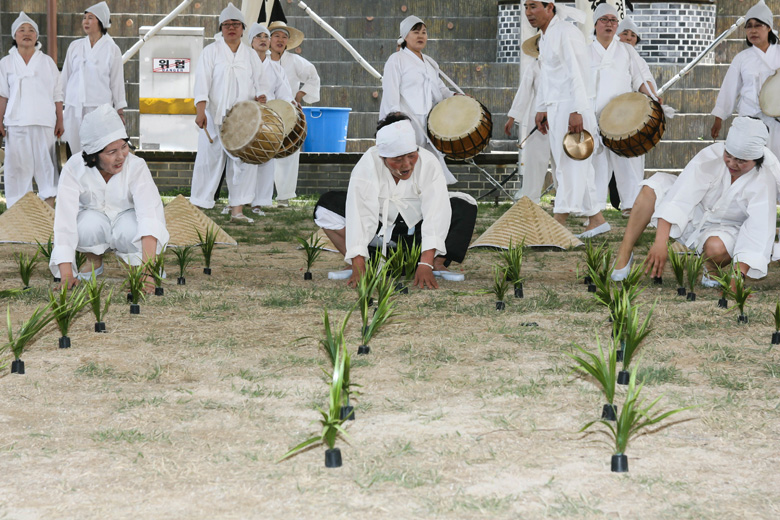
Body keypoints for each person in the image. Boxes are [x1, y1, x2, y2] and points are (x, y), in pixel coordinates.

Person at [313, 114, 478, 289]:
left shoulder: (429, 163)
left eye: (411, 156)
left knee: (464, 204)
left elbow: (436, 213)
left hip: (416, 235)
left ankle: (435, 263)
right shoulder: (368, 164)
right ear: (382, 157)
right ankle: (360, 262)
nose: (406, 165)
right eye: (398, 160)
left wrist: (426, 263)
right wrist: (358, 261)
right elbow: (359, 212)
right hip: (379, 231)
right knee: (326, 206)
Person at [611, 117, 778, 285]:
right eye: (728, 155)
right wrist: (660, 242)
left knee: (716, 248)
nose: (731, 163)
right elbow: (680, 195)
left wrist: (737, 280)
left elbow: (758, 230)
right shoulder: (711, 156)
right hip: (694, 215)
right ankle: (624, 253)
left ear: (756, 160)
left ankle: (711, 270)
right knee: (654, 186)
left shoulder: (766, 178)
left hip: (727, 231)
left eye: (740, 161)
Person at [50, 104, 169, 289]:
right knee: (86, 226)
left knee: (131, 229)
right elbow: (64, 221)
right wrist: (66, 274)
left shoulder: (137, 166)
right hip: (93, 219)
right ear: (93, 156)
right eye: (111, 152)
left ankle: (140, 266)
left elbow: (149, 216)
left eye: (123, 146)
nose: (121, 156)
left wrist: (148, 273)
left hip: (127, 218)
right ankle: (93, 261)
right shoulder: (74, 168)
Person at [525, 0, 608, 237]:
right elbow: (548, 75)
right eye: (526, 7)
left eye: (533, 6)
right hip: (556, 107)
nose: (529, 13)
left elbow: (578, 73)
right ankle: (597, 219)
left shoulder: (566, 32)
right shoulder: (546, 36)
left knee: (570, 165)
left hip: (572, 107)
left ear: (549, 7)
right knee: (573, 165)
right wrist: (541, 108)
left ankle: (558, 222)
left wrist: (577, 110)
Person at [191, 3, 265, 222]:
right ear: (221, 28)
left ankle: (237, 210)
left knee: (244, 163)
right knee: (208, 160)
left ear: (242, 29)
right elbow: (202, 83)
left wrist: (261, 97)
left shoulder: (251, 55)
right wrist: (200, 110)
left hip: (243, 119)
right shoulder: (210, 52)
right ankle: (199, 207)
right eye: (226, 25)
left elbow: (260, 83)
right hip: (215, 117)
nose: (231, 28)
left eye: (235, 25)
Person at [589, 4, 653, 216]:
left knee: (627, 160)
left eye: (613, 20)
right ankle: (594, 208)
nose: (609, 24)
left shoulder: (626, 50)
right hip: (593, 113)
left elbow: (638, 78)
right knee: (596, 162)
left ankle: (631, 206)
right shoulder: (585, 50)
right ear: (596, 24)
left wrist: (652, 98)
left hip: (622, 115)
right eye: (604, 20)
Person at [380, 15, 458, 185]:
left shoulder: (430, 62)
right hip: (405, 122)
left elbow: (440, 88)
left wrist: (455, 96)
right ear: (405, 36)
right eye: (416, 32)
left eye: (424, 32)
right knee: (405, 165)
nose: (421, 36)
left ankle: (429, 203)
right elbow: (390, 94)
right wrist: (395, 123)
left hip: (428, 124)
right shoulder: (396, 60)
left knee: (428, 168)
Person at [0, 12, 63, 209]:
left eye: (31, 30)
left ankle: (48, 218)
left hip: (44, 122)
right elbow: (3, 95)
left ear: (37, 36)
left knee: (46, 168)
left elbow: (57, 94)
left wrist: (60, 119)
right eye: (22, 30)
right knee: (17, 170)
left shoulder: (47, 62)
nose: (26, 33)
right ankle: (19, 219)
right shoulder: (6, 63)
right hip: (16, 124)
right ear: (14, 35)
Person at [711, 0, 780, 158]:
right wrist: (719, 119)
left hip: (777, 123)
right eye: (749, 26)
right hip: (750, 120)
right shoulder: (742, 58)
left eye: (758, 25)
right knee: (751, 164)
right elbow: (729, 88)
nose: (752, 30)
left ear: (769, 27)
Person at [61, 1, 126, 155]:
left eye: (91, 18)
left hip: (99, 109)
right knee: (72, 151)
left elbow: (116, 83)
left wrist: (120, 111)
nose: (86, 21)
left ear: (101, 21)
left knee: (96, 152)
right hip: (73, 107)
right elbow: (65, 78)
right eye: (84, 18)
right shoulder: (74, 46)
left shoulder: (112, 49)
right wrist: (57, 109)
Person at [268, 21, 320, 206]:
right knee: (263, 153)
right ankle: (260, 197)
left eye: (284, 37)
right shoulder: (260, 59)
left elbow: (314, 78)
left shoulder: (294, 61)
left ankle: (284, 196)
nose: (280, 40)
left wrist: (299, 95)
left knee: (289, 154)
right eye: (277, 36)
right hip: (265, 113)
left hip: (289, 114)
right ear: (269, 38)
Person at [247, 23, 294, 216]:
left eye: (266, 36)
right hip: (247, 117)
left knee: (266, 159)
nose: (263, 40)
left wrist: (288, 105)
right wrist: (253, 98)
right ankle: (238, 200)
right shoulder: (244, 64)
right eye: (259, 36)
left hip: (268, 120)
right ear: (250, 41)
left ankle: (260, 201)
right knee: (243, 161)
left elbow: (284, 94)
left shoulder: (275, 68)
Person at [504, 34, 554, 203]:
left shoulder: (564, 68)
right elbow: (523, 93)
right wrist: (512, 117)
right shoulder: (534, 68)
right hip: (537, 118)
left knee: (564, 161)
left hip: (561, 116)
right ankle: (531, 199)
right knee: (535, 160)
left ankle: (566, 202)